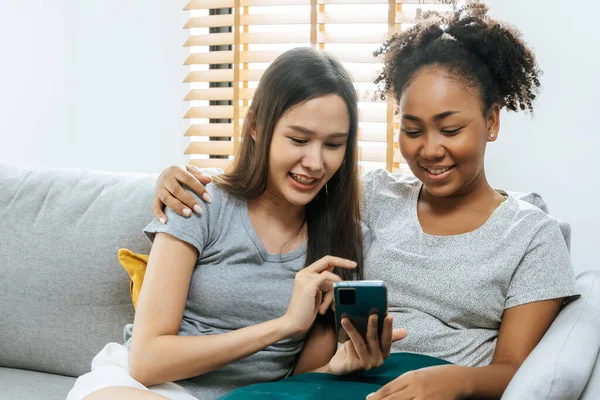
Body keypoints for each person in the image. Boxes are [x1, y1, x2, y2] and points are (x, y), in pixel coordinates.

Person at [154, 5, 578, 399]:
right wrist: (174, 178)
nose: (430, 150)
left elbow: (517, 368)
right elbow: (286, 173)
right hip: (345, 379)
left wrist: (452, 381)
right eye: (412, 130)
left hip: (445, 386)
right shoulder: (372, 195)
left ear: (491, 122)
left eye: (449, 130)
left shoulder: (532, 236)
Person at [67, 47, 406, 400]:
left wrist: (334, 367)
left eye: (333, 144)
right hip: (143, 388)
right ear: (256, 126)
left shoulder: (344, 240)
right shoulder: (199, 203)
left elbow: (298, 382)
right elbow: (146, 361)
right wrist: (284, 326)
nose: (315, 162)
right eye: (298, 139)